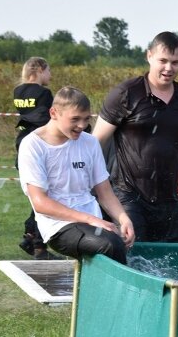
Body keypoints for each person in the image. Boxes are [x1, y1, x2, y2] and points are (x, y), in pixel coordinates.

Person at [92, 31, 178, 243]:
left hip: (169, 199)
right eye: (163, 61)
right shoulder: (126, 94)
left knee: (176, 263)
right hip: (129, 196)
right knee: (133, 257)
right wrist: (85, 185)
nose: (169, 68)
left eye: (175, 62)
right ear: (149, 56)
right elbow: (95, 143)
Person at [17, 87, 134, 264]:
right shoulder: (33, 145)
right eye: (75, 119)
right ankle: (126, 291)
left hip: (91, 220)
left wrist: (123, 218)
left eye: (86, 119)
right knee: (110, 244)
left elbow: (105, 192)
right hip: (58, 226)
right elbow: (40, 203)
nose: (82, 126)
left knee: (127, 241)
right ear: (54, 113)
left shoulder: (90, 142)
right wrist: (92, 219)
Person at [14, 57, 57, 259]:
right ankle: (39, 244)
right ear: (40, 70)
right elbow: (47, 119)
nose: (50, 75)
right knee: (45, 196)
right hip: (39, 144)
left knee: (35, 196)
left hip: (22, 142)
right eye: (48, 71)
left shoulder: (18, 91)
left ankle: (30, 235)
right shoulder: (44, 93)